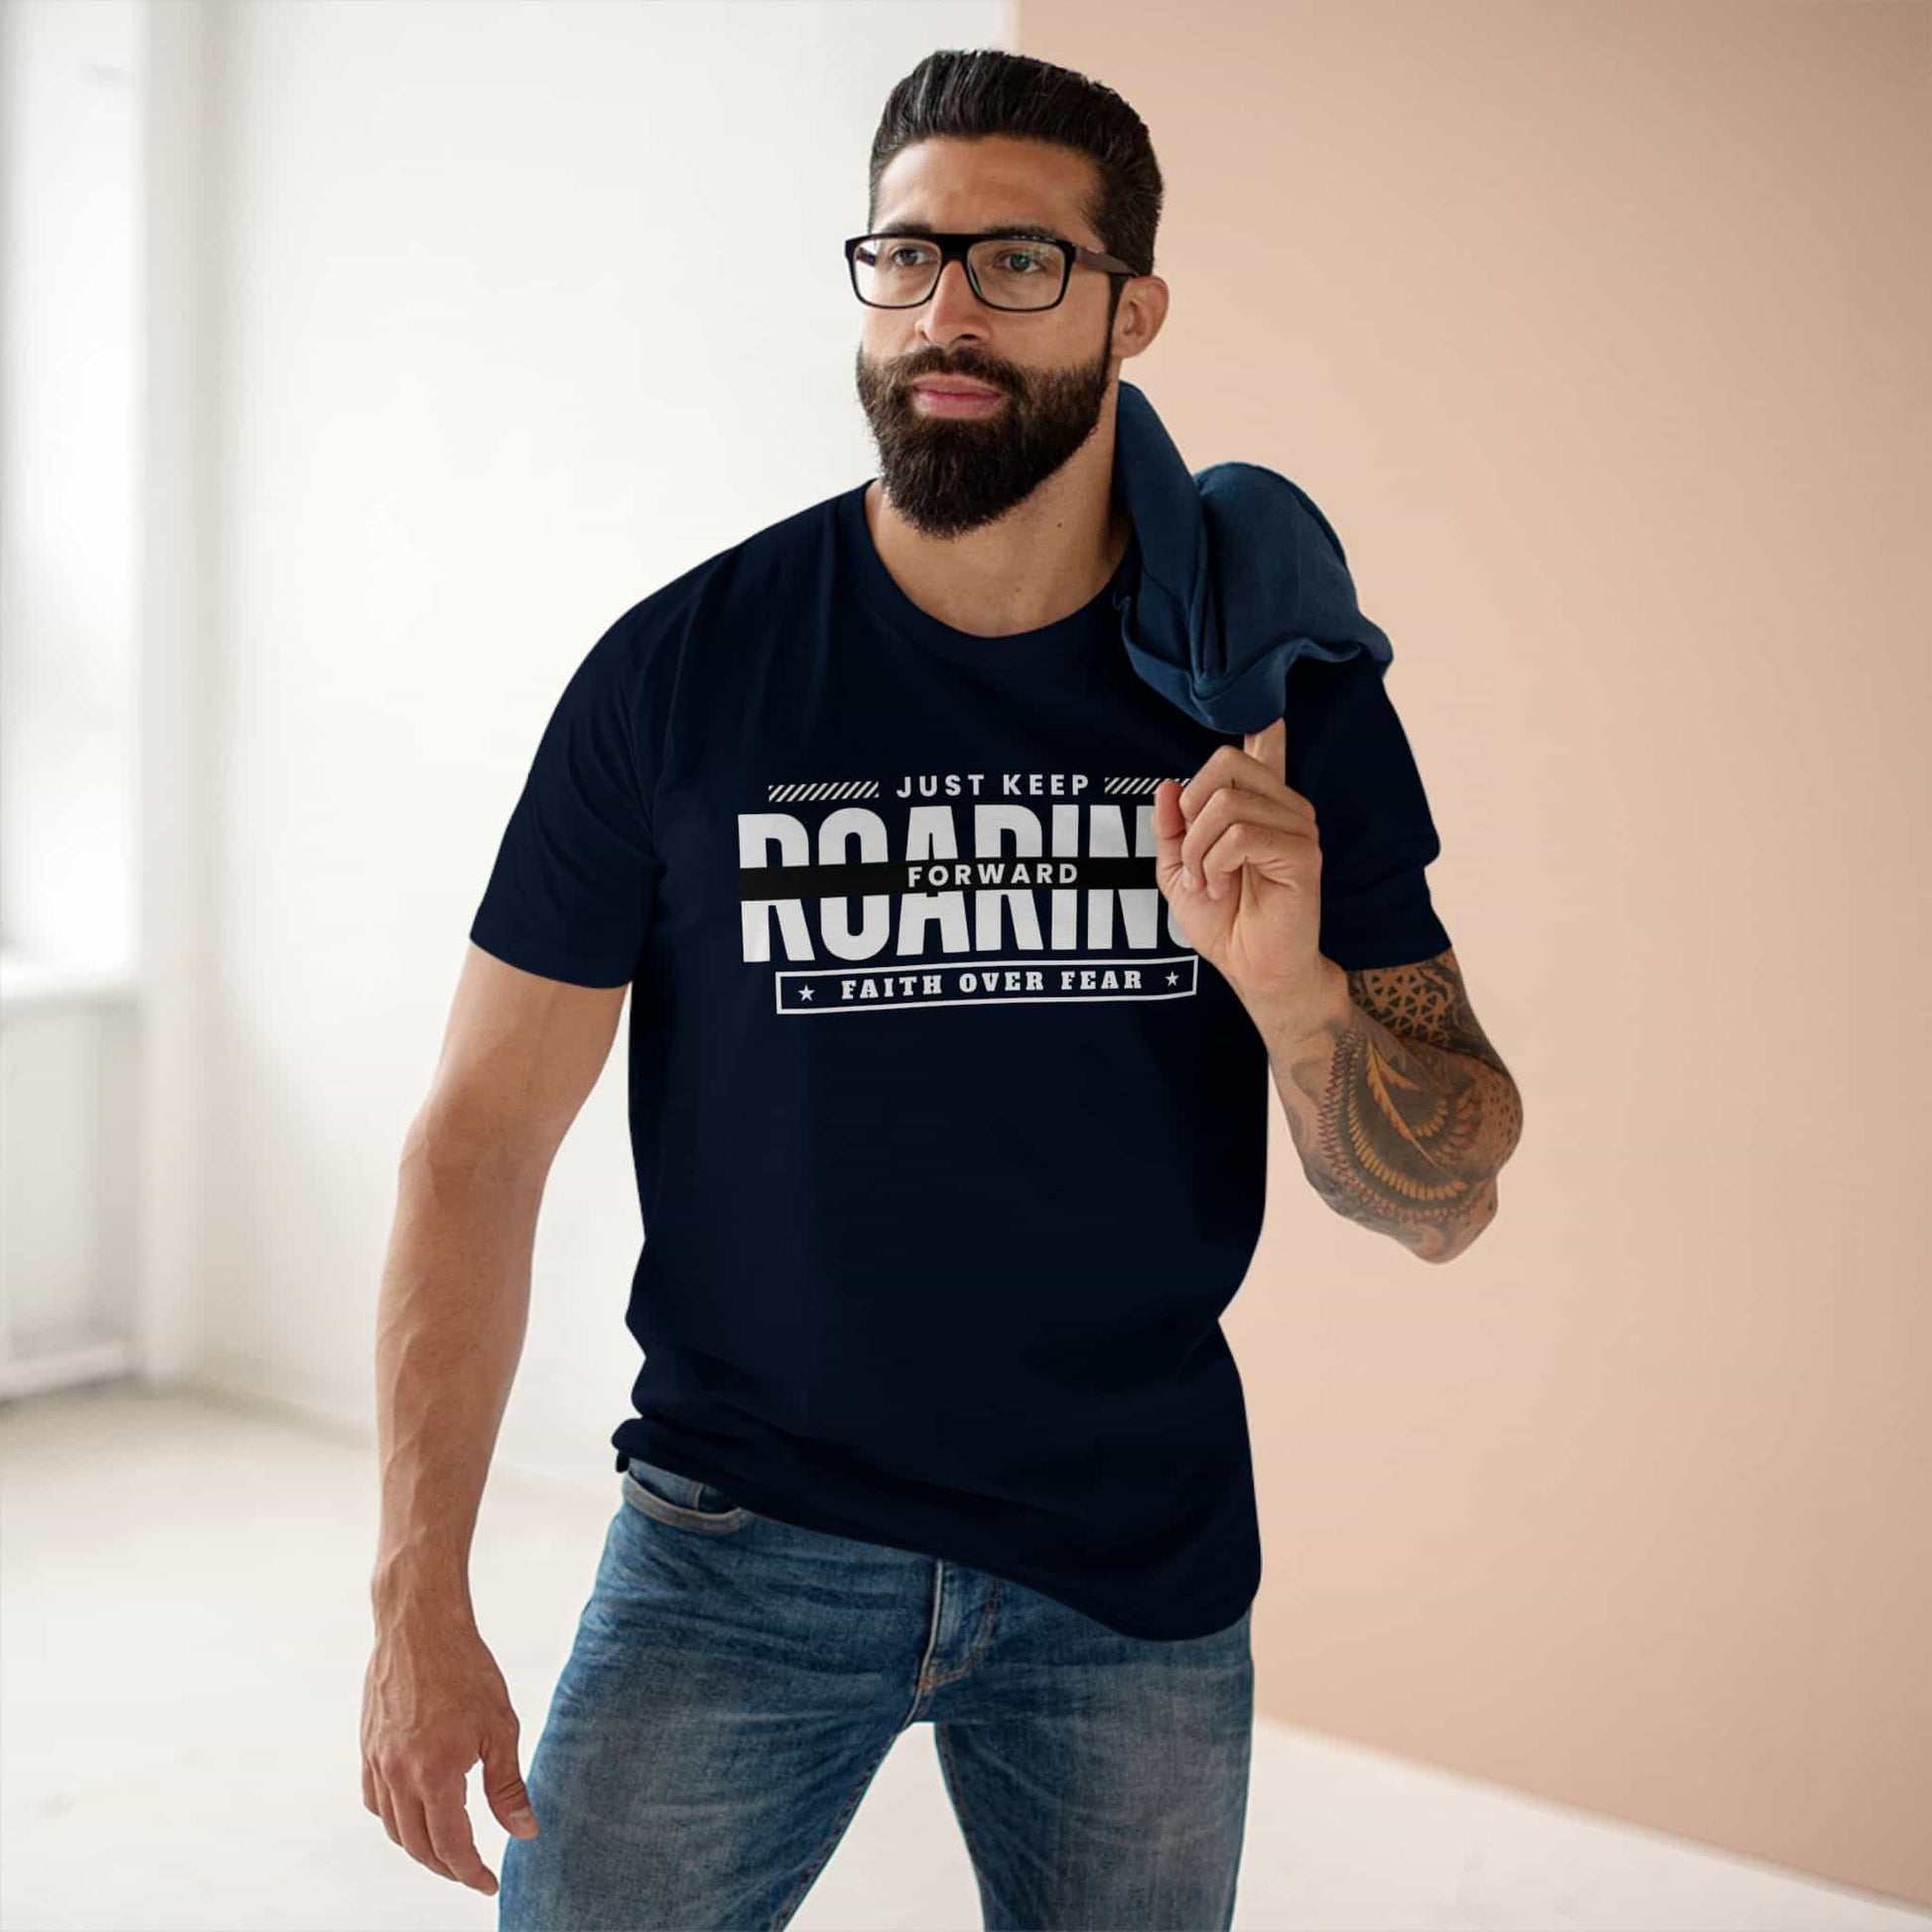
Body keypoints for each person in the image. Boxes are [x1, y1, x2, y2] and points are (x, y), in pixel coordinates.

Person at [360, 46, 1523, 1932]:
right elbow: (477, 1143)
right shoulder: (686, 674)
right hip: (737, 1542)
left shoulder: (1265, 695)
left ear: (1133, 311)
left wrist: (1292, 990)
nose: (945, 312)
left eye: (1017, 262)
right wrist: (416, 1599)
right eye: (904, 257)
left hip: (1127, 1569)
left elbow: (1447, 1193)